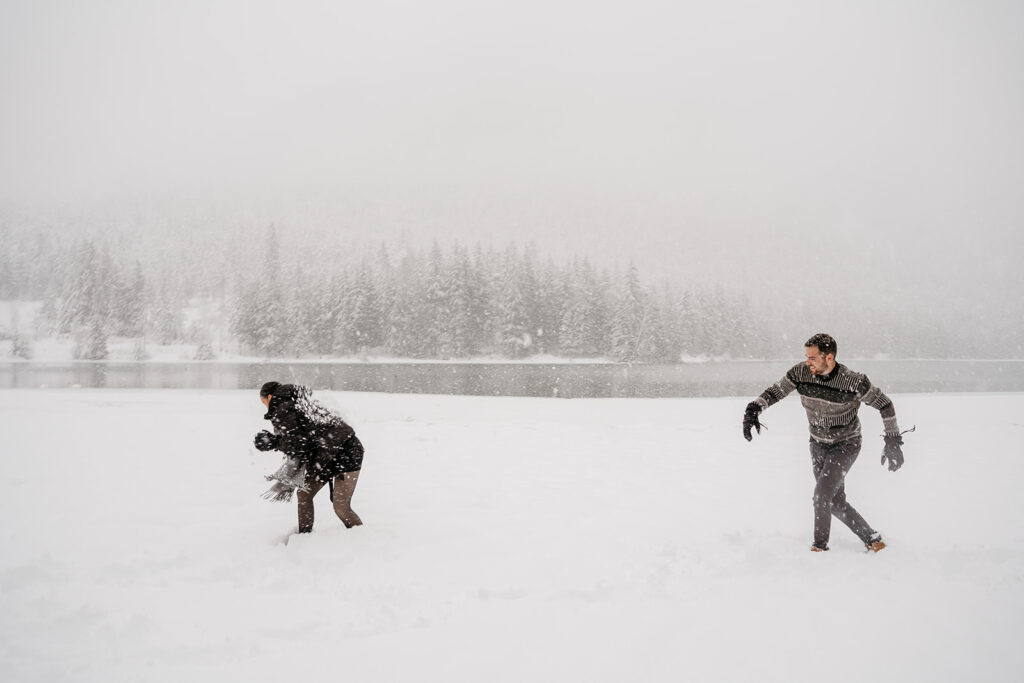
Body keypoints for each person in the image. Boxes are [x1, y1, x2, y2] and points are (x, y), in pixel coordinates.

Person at [742, 333, 907, 553]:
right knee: (834, 502)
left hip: (846, 444)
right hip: (817, 443)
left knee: (821, 496)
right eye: (806, 357)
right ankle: (872, 538)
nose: (807, 362)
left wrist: (893, 441)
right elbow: (776, 391)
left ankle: (819, 548)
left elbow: (885, 404)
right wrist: (754, 408)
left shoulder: (853, 381)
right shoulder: (801, 373)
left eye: (812, 358)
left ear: (829, 358)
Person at [254, 381, 364, 533]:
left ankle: (362, 538)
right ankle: (304, 537)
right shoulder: (296, 402)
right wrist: (277, 441)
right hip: (327, 455)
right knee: (305, 494)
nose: (265, 406)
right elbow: (301, 437)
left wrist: (274, 443)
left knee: (341, 506)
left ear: (270, 397)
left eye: (263, 401)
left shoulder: (283, 408)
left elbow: (298, 443)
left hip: (345, 452)